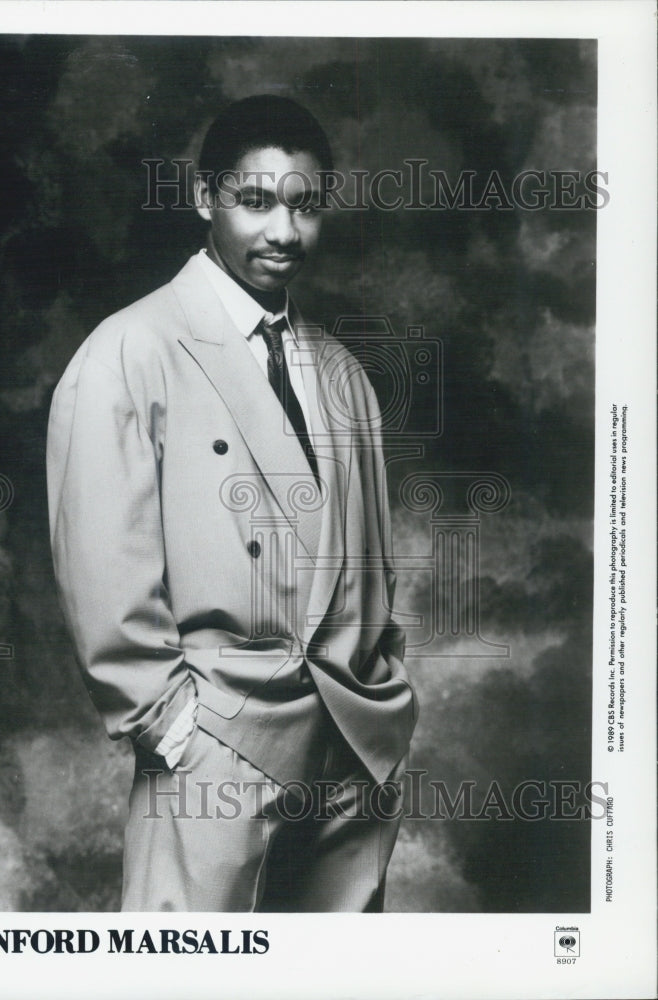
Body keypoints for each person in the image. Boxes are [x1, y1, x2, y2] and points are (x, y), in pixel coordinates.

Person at [46, 94, 418, 912]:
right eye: (255, 202)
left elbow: (370, 573)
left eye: (304, 206)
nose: (282, 232)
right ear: (202, 196)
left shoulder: (346, 375)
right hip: (211, 750)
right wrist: (171, 728)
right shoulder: (127, 352)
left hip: (348, 748)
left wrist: (381, 685)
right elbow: (103, 569)